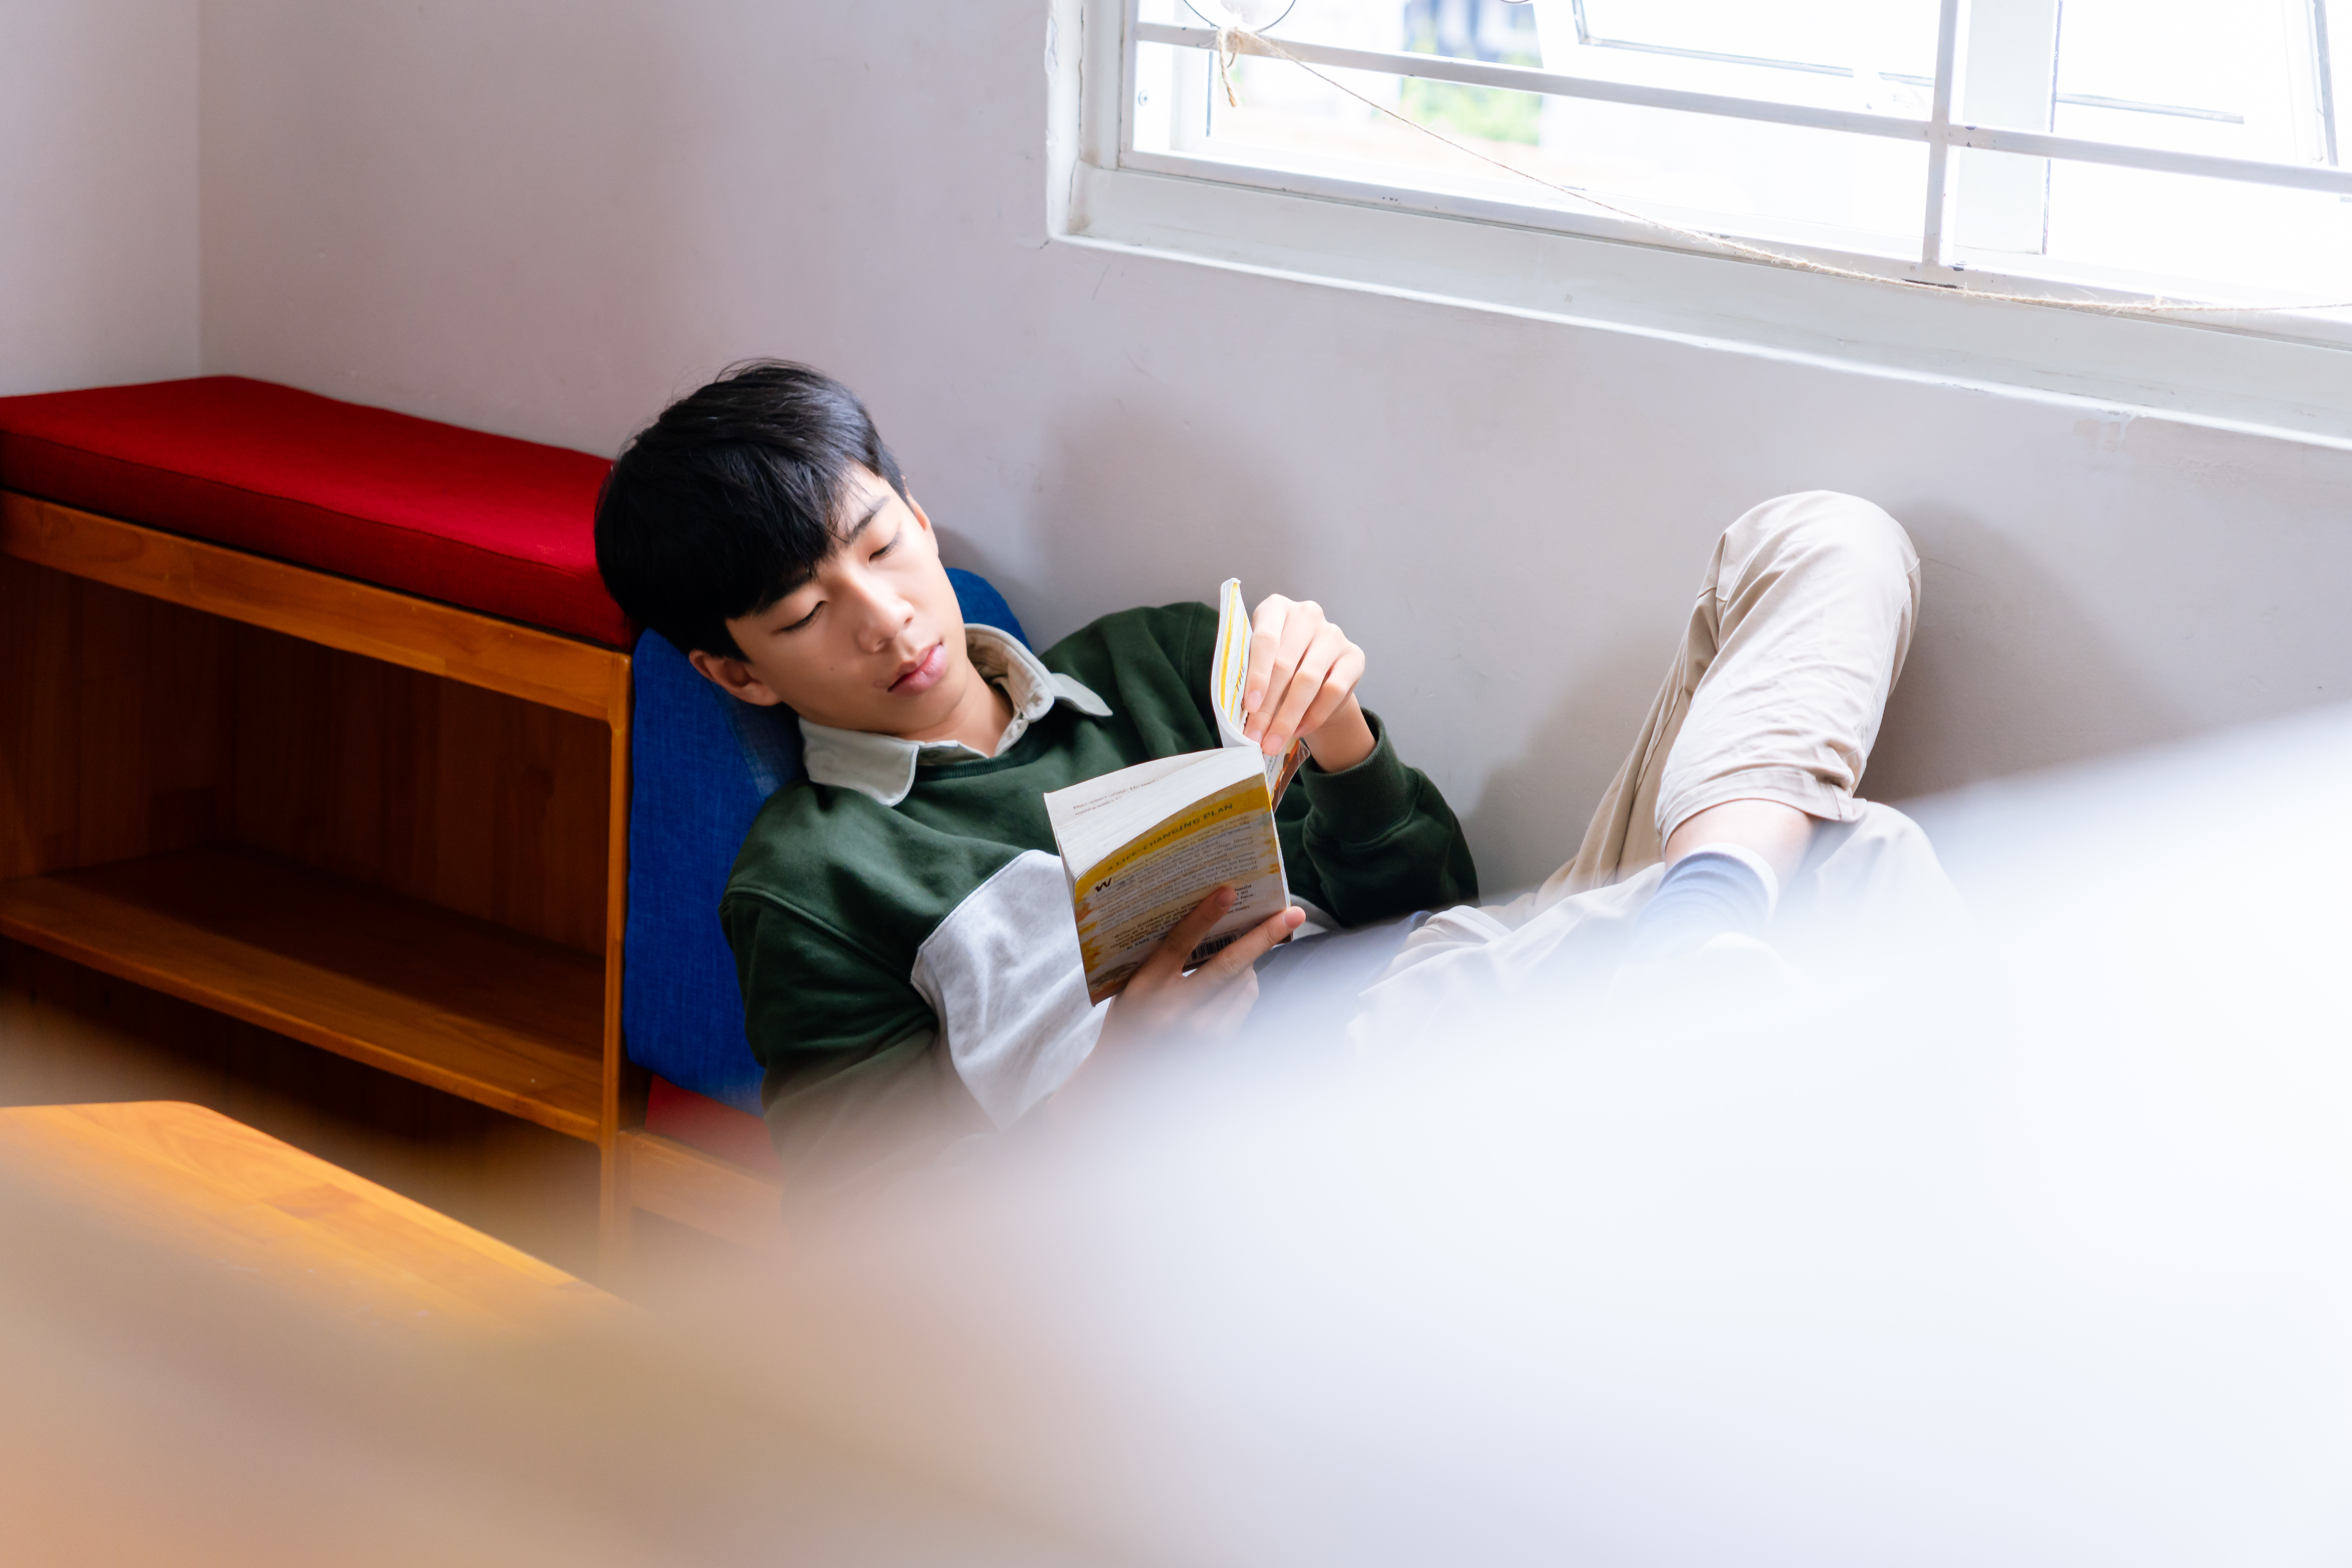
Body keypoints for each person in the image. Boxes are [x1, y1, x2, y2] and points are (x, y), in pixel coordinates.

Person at [594, 361, 1953, 1184]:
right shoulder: (813, 877)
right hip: (1274, 1131)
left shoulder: (1161, 660)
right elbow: (875, 1227)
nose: (887, 618)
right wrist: (1106, 1083)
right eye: (802, 614)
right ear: (738, 675)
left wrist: (1344, 738)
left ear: (918, 513)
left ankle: (1687, 943)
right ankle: (1694, 953)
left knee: (1826, 540)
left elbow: (1430, 896)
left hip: (1438, 977)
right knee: (1858, 864)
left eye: (883, 547)